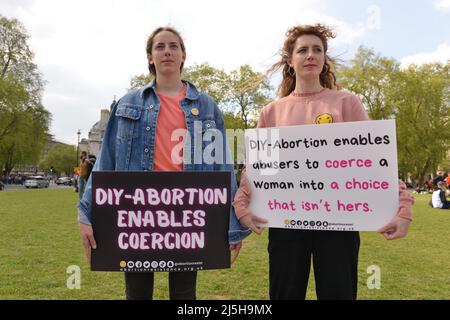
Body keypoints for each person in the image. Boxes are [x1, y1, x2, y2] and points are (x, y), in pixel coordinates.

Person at [233, 24, 415, 300]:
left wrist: (403, 207)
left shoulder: (346, 103)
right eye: (302, 50)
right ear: (290, 60)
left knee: (338, 293)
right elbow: (255, 170)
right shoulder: (271, 112)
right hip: (287, 223)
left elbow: (376, 160)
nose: (310, 55)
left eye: (317, 50)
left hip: (339, 223)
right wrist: (241, 204)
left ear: (324, 59)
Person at [77, 26, 249, 300]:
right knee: (137, 292)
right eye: (160, 46)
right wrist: (87, 214)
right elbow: (106, 162)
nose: (167, 51)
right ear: (150, 57)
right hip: (136, 214)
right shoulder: (127, 103)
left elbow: (222, 167)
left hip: (188, 215)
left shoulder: (207, 107)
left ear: (183, 55)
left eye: (173, 46)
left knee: (184, 294)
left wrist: (232, 224)